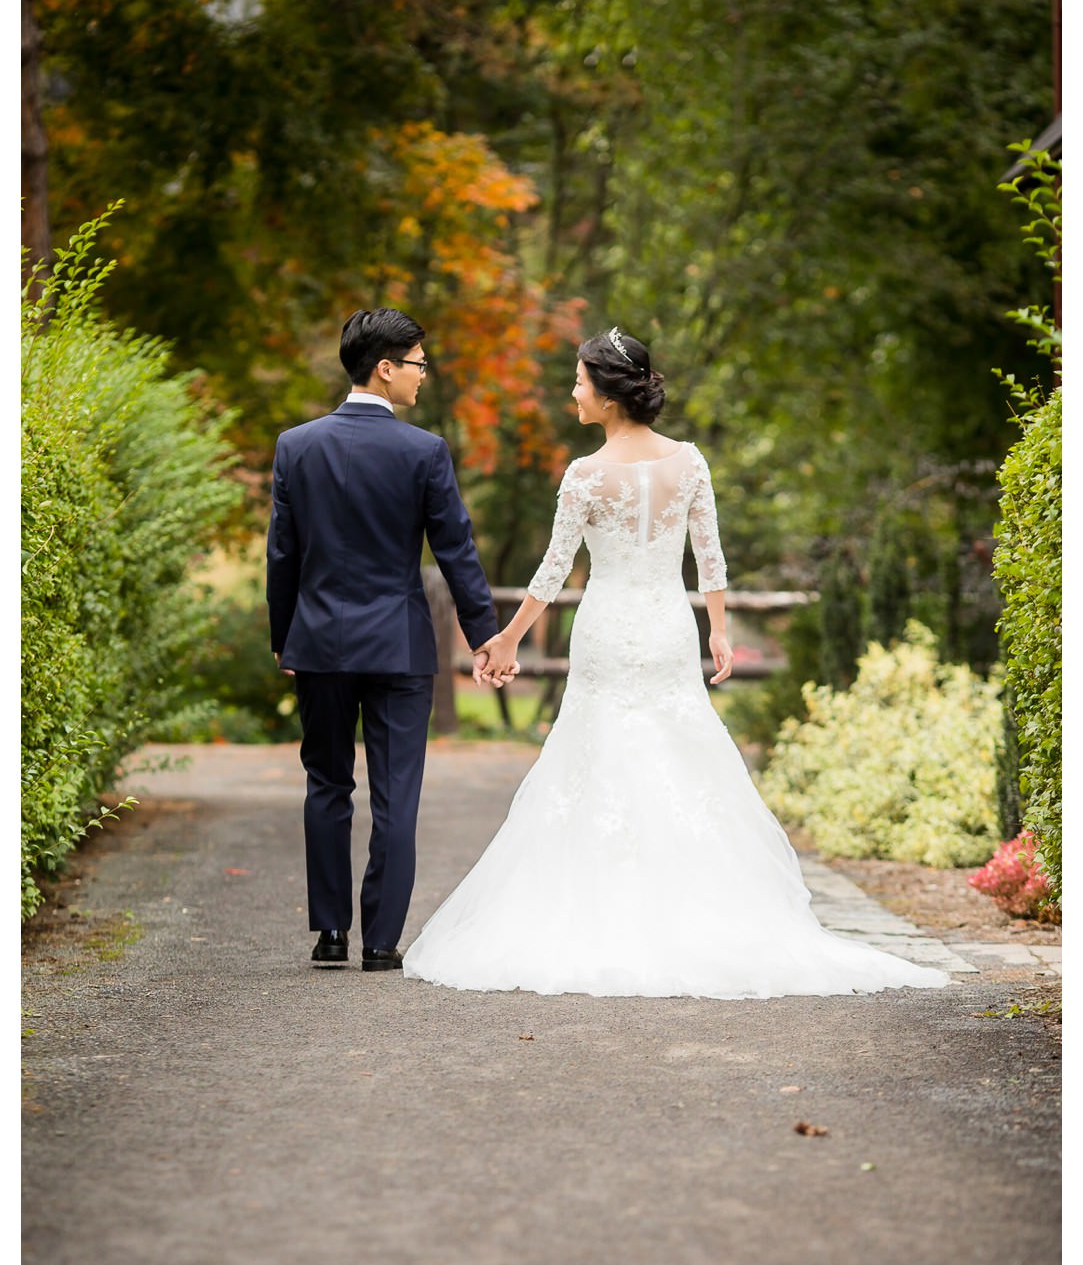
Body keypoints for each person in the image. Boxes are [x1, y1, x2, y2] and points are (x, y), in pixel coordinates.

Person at [403, 327, 951, 998]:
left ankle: (602, 905)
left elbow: (552, 571)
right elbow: (709, 557)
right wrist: (717, 630)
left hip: (606, 627)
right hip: (666, 625)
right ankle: (696, 900)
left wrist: (511, 637)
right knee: (676, 749)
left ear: (606, 396)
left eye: (578, 381)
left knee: (598, 751)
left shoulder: (584, 476)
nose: (571, 392)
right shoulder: (688, 463)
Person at [267, 306, 507, 970]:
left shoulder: (296, 445)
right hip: (399, 646)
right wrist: (482, 633)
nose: (423, 377)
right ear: (384, 367)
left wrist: (284, 637)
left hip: (318, 642)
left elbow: (281, 555)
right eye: (418, 365)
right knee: (397, 794)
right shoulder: (422, 451)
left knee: (326, 785)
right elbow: (456, 550)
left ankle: (329, 933)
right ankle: (379, 943)